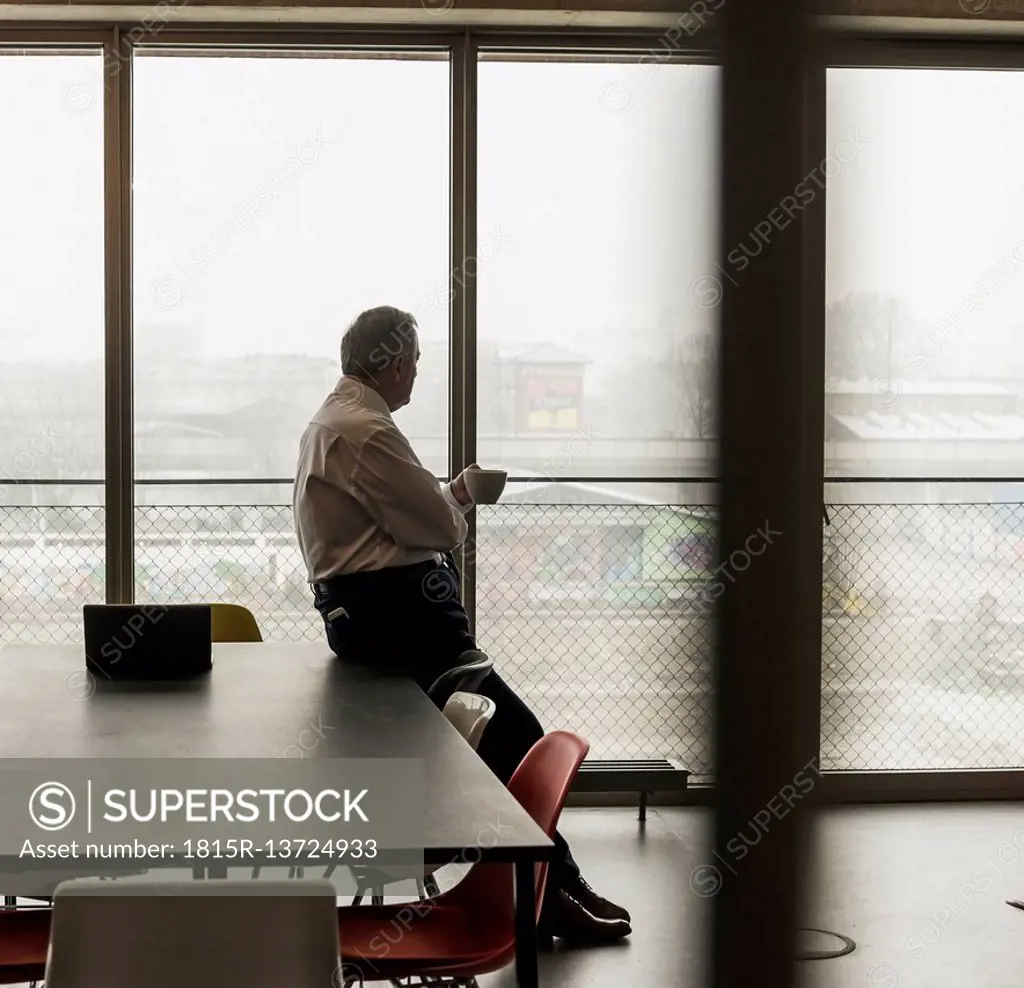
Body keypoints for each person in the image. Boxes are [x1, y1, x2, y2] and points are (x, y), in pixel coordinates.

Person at [293, 305, 631, 943]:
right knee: (518, 736)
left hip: (373, 616)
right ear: (395, 362)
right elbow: (438, 528)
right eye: (416, 360)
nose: (418, 372)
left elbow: (400, 518)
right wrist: (461, 501)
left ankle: (556, 885)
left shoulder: (334, 422)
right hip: (403, 621)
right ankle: (546, 895)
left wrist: (453, 491)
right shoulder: (367, 430)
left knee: (506, 738)